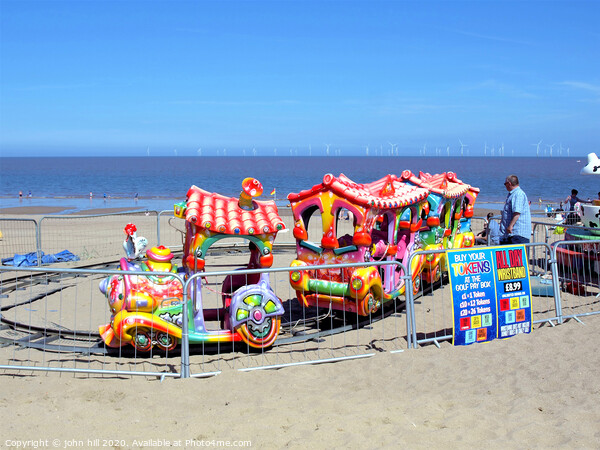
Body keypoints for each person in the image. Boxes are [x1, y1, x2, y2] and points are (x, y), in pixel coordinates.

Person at [499, 175, 531, 244]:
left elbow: (517, 212)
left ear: (509, 183)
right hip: (510, 234)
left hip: (517, 234)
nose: (505, 186)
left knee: (518, 254)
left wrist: (510, 226)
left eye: (505, 184)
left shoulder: (518, 194)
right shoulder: (513, 194)